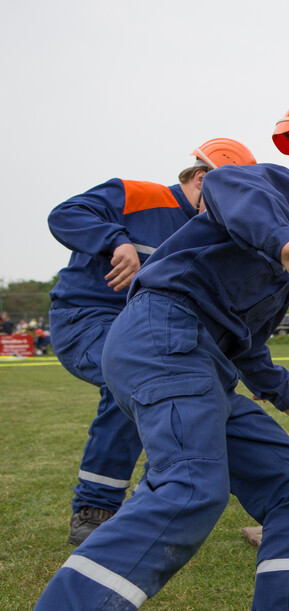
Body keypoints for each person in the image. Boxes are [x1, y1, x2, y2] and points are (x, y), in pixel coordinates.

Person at [0, 94, 289, 611]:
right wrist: (288, 249)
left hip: (201, 361)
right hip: (161, 335)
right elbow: (230, 191)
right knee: (191, 486)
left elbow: (248, 347)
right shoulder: (261, 189)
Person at [46, 138, 257, 546]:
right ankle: (95, 509)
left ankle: (154, 498)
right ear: (201, 178)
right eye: (229, 195)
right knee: (135, 374)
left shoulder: (210, 233)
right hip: (83, 319)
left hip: (143, 331)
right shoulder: (138, 195)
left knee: (185, 384)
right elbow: (65, 214)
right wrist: (116, 240)